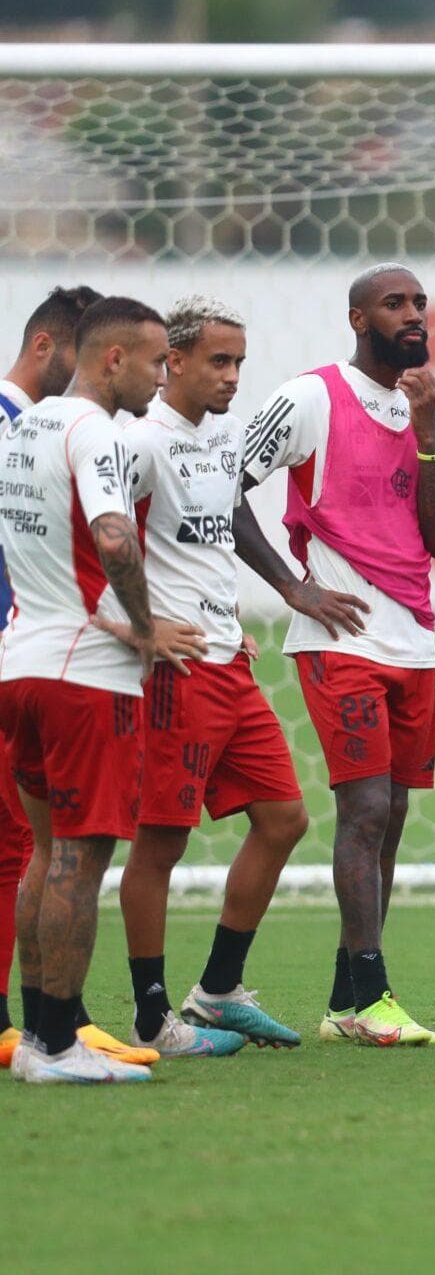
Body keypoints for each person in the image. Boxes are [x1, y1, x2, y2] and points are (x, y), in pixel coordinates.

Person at [235, 264, 435, 1047]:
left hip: (412, 639)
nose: (413, 315)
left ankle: (344, 1002)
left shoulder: (416, 407)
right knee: (364, 810)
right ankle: (372, 997)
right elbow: (217, 483)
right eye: (395, 304)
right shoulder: (311, 396)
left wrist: (430, 434)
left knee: (392, 815)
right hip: (342, 642)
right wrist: (293, 588)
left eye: (419, 304)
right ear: (357, 317)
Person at [102, 296, 308, 1058]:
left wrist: (257, 602)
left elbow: (219, 533)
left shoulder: (226, 438)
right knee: (160, 845)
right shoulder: (139, 443)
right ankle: (152, 1016)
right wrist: (139, 626)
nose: (231, 377)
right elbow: (100, 541)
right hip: (175, 671)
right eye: (217, 362)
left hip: (229, 659)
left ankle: (217, 992)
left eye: (239, 364)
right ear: (174, 362)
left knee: (284, 819)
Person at [0, 296, 191, 1083]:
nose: (162, 377)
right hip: (85, 680)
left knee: (46, 854)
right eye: (155, 361)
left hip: (21, 663)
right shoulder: (96, 432)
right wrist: (144, 628)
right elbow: (114, 537)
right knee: (82, 858)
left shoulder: (26, 428)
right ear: (113, 360)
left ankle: (41, 1035)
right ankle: (53, 1044)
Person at [0, 284, 101, 1069]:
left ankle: (47, 1018)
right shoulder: (17, 427)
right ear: (46, 349)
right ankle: (30, 1025)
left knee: (27, 845)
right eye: (86, 354)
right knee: (23, 846)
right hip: (28, 657)